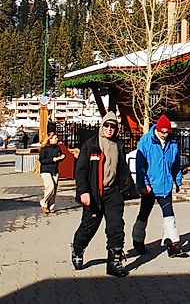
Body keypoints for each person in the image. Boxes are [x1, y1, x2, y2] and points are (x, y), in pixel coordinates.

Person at [71, 113, 137, 277]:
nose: (109, 129)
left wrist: (127, 189)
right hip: (94, 193)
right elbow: (80, 171)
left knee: (116, 227)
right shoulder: (91, 145)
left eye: (113, 126)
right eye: (106, 126)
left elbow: (122, 170)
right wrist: (83, 191)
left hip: (113, 193)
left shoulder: (118, 146)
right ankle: (78, 249)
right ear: (102, 126)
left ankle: (114, 263)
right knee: (88, 227)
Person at [132, 114, 189, 258]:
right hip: (150, 185)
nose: (164, 134)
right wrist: (143, 183)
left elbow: (176, 164)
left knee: (169, 215)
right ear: (157, 129)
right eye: (162, 131)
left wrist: (177, 180)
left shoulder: (173, 143)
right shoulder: (145, 143)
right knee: (144, 213)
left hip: (165, 185)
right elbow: (140, 166)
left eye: (167, 132)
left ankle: (174, 244)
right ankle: (137, 239)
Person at [38, 132, 65, 214]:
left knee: (54, 189)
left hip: (54, 170)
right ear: (49, 139)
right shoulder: (44, 149)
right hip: (46, 170)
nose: (57, 139)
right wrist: (53, 160)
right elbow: (42, 160)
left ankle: (51, 206)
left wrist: (62, 157)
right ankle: (44, 202)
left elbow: (61, 155)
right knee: (50, 186)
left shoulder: (57, 148)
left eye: (57, 138)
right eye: (55, 138)